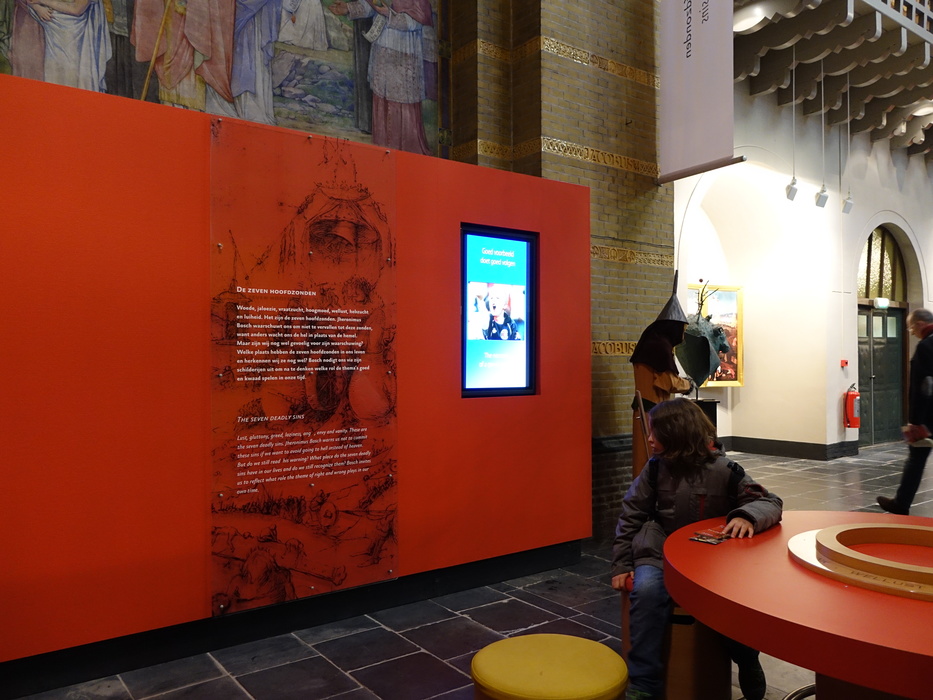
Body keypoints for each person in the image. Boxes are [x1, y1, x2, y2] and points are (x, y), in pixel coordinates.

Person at [611, 398, 783, 700]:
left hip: (709, 558)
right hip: (660, 550)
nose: (649, 439)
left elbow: (770, 502)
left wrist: (747, 515)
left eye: (655, 432)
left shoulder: (725, 470)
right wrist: (622, 564)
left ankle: (746, 658)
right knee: (647, 593)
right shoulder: (654, 469)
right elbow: (631, 514)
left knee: (728, 604)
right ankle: (643, 686)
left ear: (677, 433)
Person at [328, 0, 434, 155]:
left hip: (404, 51)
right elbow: (371, 6)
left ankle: (406, 151)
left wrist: (389, 14)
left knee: (401, 99)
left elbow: (416, 21)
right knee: (381, 96)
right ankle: (382, 147)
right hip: (382, 47)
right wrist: (348, 8)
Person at [877, 308, 933, 515]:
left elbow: (925, 385)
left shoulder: (926, 346)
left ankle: (901, 503)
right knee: (916, 459)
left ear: (919, 324)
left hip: (929, 418)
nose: (911, 332)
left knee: (916, 459)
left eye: (911, 327)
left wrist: (916, 421)